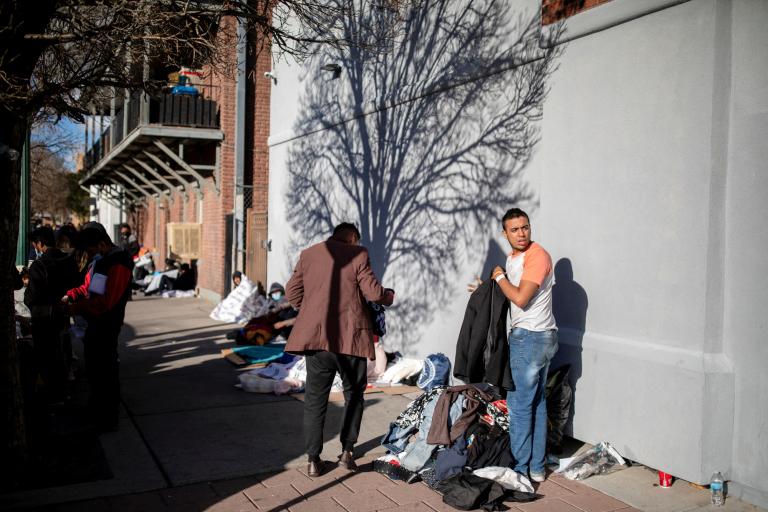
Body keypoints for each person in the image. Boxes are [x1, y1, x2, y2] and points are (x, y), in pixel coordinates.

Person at [285, 223, 395, 477]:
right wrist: (388, 296)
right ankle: (347, 453)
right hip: (350, 340)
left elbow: (292, 292)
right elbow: (373, 292)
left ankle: (313, 460)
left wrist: (313, 309)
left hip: (317, 339)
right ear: (353, 237)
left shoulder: (309, 253)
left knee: (315, 399)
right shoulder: (358, 253)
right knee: (354, 395)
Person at [491, 208, 558, 483]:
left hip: (531, 338)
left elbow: (520, 298)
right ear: (505, 233)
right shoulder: (514, 257)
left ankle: (520, 470)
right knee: (537, 402)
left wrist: (499, 278)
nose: (522, 233)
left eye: (525, 228)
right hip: (538, 337)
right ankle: (537, 468)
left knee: (518, 404)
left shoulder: (537, 255)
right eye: (515, 229)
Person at [64, 222, 133, 432]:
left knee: (105, 372)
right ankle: (97, 411)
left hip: (107, 324)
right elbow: (89, 287)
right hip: (96, 323)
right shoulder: (103, 261)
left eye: (92, 249)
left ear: (102, 244)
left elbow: (106, 302)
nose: (90, 254)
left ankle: (107, 417)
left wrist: (75, 308)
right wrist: (72, 295)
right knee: (95, 370)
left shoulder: (118, 263)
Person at [23, 227, 80, 403]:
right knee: (62, 350)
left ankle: (53, 393)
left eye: (35, 244)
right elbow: (76, 283)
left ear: (40, 244)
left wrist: (28, 291)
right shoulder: (68, 260)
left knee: (47, 356)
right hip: (62, 311)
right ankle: (64, 391)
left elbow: (32, 295)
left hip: (43, 316)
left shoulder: (39, 265)